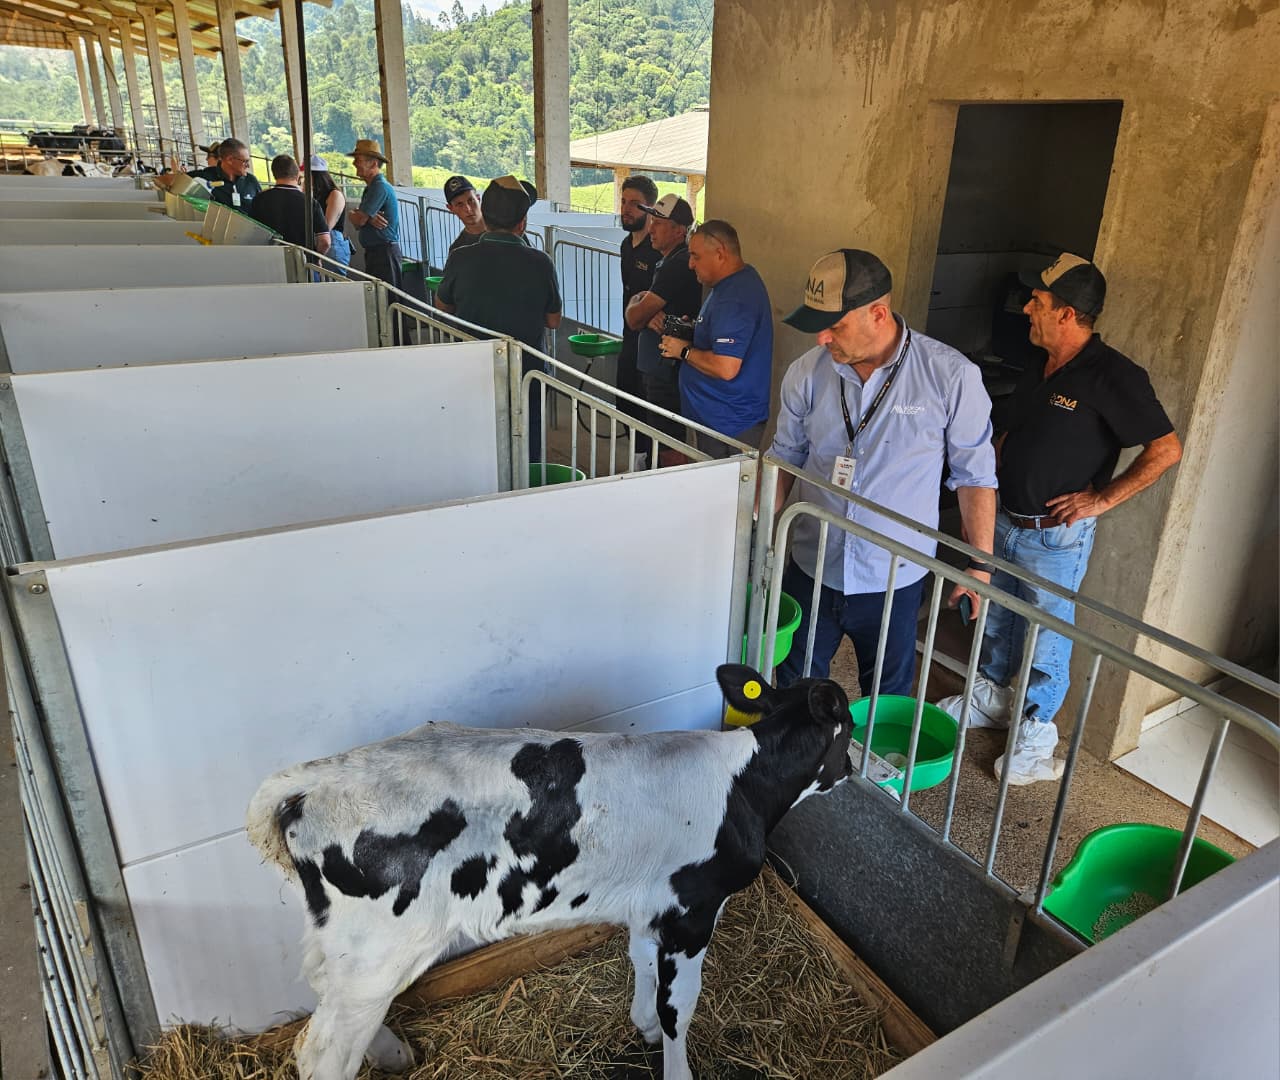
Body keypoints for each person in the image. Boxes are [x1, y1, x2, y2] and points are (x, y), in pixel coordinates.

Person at [936, 253, 1182, 785]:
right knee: (997, 617)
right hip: (1005, 521)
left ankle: (1034, 736)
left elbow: (1166, 449)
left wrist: (1102, 500)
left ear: (1067, 314)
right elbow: (1011, 431)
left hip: (1054, 540)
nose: (1027, 308)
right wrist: (984, 486)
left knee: (1046, 637)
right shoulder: (1039, 364)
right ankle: (995, 699)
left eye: (1037, 301)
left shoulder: (1115, 376)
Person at [771, 249, 998, 700]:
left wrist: (980, 566)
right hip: (812, 565)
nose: (822, 338)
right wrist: (752, 532)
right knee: (795, 694)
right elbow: (784, 457)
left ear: (878, 313)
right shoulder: (807, 373)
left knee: (885, 700)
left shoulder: (950, 376)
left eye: (835, 326)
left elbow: (975, 476)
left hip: (894, 577)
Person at [436, 175, 562, 463]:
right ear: (522, 224)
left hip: (475, 364)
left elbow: (442, 305)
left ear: (485, 214)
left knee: (480, 435)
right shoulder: (540, 262)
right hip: (525, 367)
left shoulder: (459, 257)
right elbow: (553, 320)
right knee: (527, 435)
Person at [658, 220, 771, 456]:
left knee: (724, 481)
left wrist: (683, 351)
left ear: (720, 253)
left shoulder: (735, 297)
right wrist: (694, 330)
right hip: (718, 416)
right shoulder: (732, 284)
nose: (690, 264)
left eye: (695, 256)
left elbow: (725, 367)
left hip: (728, 423)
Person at [625, 194, 702, 465]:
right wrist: (639, 302)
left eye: (658, 223)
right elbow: (640, 310)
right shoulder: (668, 261)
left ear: (679, 230)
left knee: (668, 444)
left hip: (665, 371)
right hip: (659, 367)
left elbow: (634, 319)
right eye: (652, 221)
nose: (651, 228)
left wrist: (637, 305)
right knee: (661, 439)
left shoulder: (678, 265)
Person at [616, 175, 659, 467]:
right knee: (625, 399)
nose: (626, 209)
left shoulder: (657, 250)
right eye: (623, 201)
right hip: (629, 337)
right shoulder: (626, 246)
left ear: (651, 208)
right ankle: (637, 457)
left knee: (649, 407)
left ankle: (650, 463)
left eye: (635, 204)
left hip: (651, 343)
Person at [346, 138, 402, 289]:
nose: (354, 163)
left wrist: (360, 216)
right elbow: (359, 219)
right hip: (377, 253)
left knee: (388, 297)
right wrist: (362, 216)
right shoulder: (372, 187)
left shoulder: (379, 187)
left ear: (373, 163)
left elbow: (359, 221)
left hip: (384, 254)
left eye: (358, 160)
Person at [250, 154, 331, 255]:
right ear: (297, 175)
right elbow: (325, 241)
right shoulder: (309, 202)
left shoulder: (259, 200)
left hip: (269, 257)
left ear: (274, 174)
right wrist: (316, 257)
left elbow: (253, 234)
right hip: (302, 259)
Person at [307, 155, 350, 270]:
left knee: (334, 278)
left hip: (332, 241)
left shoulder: (334, 195)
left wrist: (318, 255)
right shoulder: (315, 195)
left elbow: (327, 226)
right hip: (321, 240)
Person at [206, 138, 261, 211]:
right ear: (230, 160)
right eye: (245, 161)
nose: (248, 166)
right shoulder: (205, 177)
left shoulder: (251, 181)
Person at [444, 175, 485, 255]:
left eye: (471, 200)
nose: (468, 209)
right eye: (459, 204)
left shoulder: (504, 228)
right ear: (451, 208)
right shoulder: (457, 250)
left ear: (478, 199)